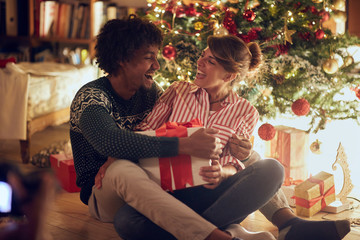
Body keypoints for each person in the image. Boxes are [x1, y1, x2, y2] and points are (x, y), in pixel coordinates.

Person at [69, 16, 283, 240]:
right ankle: (222, 235)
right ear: (123, 59)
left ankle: (267, 223)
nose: (157, 65)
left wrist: (234, 163)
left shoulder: (151, 90)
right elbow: (111, 142)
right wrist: (187, 145)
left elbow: (167, 127)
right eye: (149, 58)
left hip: (167, 193)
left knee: (260, 161)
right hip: (107, 189)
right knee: (122, 174)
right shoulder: (91, 97)